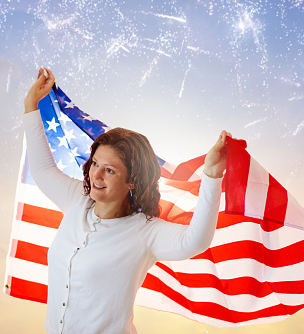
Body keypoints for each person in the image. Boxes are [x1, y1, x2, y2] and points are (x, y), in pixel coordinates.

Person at [23, 68, 229, 334]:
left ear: (132, 181)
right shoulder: (78, 200)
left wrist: (212, 176)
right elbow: (42, 170)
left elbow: (194, 241)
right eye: (95, 163)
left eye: (110, 170)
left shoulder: (144, 231)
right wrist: (31, 106)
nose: (95, 175)